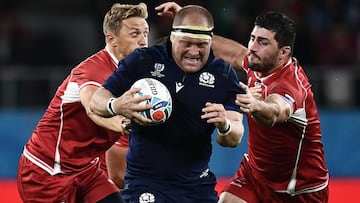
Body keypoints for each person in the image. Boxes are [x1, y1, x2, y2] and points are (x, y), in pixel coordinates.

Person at [90, 5, 246, 203]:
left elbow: (234, 138)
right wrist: (116, 105)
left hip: (196, 187)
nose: (193, 51)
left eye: (201, 45)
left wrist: (225, 125)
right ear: (173, 38)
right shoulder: (143, 61)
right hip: (146, 183)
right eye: (187, 43)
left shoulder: (222, 75)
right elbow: (97, 101)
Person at [16, 3, 150, 202]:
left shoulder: (135, 75)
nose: (143, 41)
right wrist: (120, 121)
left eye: (146, 33)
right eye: (135, 34)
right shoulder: (93, 70)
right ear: (111, 39)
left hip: (87, 169)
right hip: (46, 172)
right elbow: (93, 108)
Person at [211, 11, 329, 202]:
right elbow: (231, 53)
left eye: (263, 42)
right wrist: (191, 29)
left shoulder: (290, 84)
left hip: (299, 190)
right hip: (254, 176)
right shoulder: (259, 62)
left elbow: (275, 111)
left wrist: (255, 105)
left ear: (284, 52)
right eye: (252, 38)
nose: (253, 48)